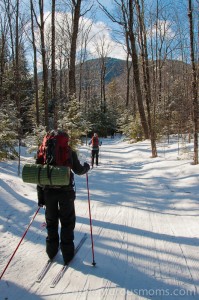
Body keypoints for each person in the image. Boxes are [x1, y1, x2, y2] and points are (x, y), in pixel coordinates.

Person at [36, 130, 90, 265]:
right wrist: (86, 167)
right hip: (66, 191)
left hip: (48, 191)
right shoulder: (69, 151)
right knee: (67, 221)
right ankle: (67, 254)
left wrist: (40, 197)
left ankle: (51, 250)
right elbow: (78, 170)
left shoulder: (42, 150)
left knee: (51, 221)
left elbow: (38, 174)